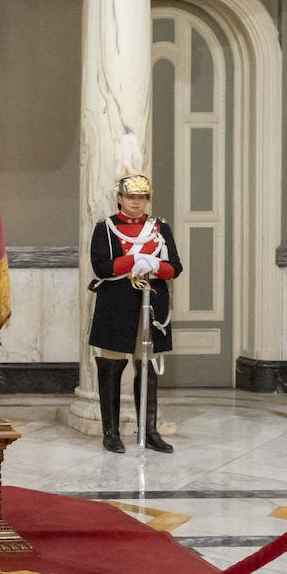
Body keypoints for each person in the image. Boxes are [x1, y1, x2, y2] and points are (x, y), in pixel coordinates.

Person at [87, 173, 183, 454]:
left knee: (148, 368)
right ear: (119, 198)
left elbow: (175, 267)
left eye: (142, 197)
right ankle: (111, 432)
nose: (136, 203)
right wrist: (133, 260)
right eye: (131, 197)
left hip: (151, 302)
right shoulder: (104, 228)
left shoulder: (160, 227)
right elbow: (102, 267)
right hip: (116, 303)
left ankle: (149, 430)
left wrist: (153, 265)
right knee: (112, 368)